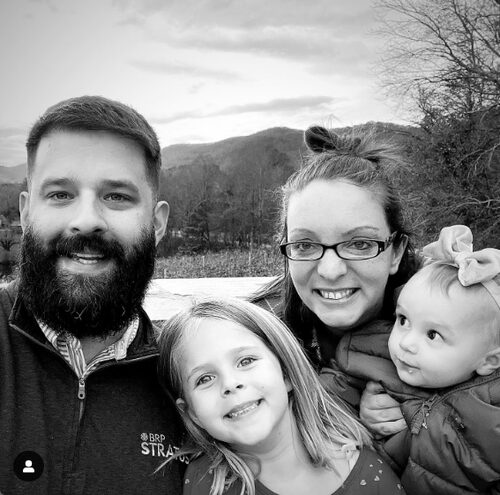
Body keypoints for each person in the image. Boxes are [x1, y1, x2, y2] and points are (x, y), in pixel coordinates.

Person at [0, 96, 185, 494]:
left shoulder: (192, 382)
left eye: (116, 196)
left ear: (156, 224)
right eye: (60, 194)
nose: (86, 221)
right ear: (25, 212)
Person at [252, 125, 418, 433]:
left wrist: (420, 412)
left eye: (359, 244)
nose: (330, 270)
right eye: (305, 245)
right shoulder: (258, 341)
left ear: (395, 252)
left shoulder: (451, 325)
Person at [157, 298, 406, 495]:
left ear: (286, 372)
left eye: (246, 361)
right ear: (192, 413)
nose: (230, 384)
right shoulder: (207, 485)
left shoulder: (370, 476)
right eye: (204, 379)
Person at [333, 225, 500, 494]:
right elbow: (320, 398)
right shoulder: (370, 352)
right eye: (403, 320)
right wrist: (355, 417)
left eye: (433, 334)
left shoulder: (489, 415)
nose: (406, 343)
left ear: (488, 362)